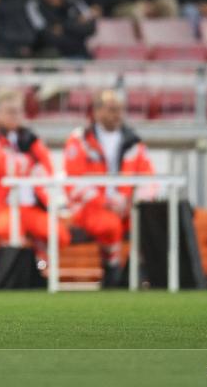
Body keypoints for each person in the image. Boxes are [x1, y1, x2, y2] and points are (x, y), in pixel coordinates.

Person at [64, 89, 156, 287]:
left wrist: (132, 200)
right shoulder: (80, 140)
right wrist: (105, 201)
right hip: (90, 207)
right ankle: (112, 269)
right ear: (96, 112)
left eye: (120, 110)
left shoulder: (133, 142)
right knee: (110, 225)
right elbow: (74, 181)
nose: (117, 115)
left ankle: (137, 271)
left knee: (150, 221)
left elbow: (148, 179)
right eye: (112, 109)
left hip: (126, 205)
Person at [0, 89, 70, 263]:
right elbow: (5, 168)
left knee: (59, 234)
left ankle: (39, 271)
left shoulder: (29, 138)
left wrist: (25, 163)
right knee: (11, 231)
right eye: (10, 112)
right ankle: (5, 271)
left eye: (18, 111)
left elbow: (47, 169)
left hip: (30, 207)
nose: (15, 116)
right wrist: (29, 163)